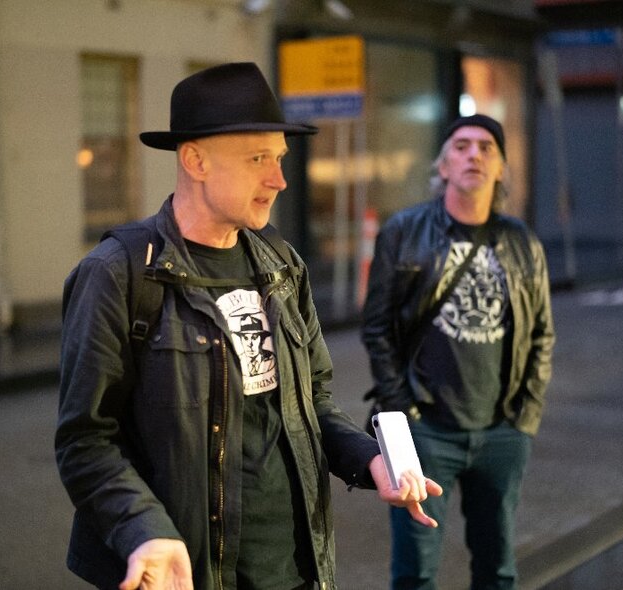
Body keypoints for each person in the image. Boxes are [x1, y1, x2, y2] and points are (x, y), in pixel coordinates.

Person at [55, 62, 443, 590]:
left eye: (279, 158)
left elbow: (314, 399)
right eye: (258, 158)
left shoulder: (281, 263)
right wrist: (143, 531)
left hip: (296, 570)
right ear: (195, 159)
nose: (279, 179)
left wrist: (368, 461)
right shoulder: (118, 274)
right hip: (187, 571)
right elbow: (86, 440)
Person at [361, 114, 555, 590]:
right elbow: (377, 327)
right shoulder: (404, 232)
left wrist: (524, 418)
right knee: (415, 573)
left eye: (486, 147)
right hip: (425, 431)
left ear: (501, 169)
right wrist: (401, 410)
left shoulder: (522, 243)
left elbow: (542, 335)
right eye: (462, 146)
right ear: (443, 165)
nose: (474, 155)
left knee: (497, 570)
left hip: (502, 433)